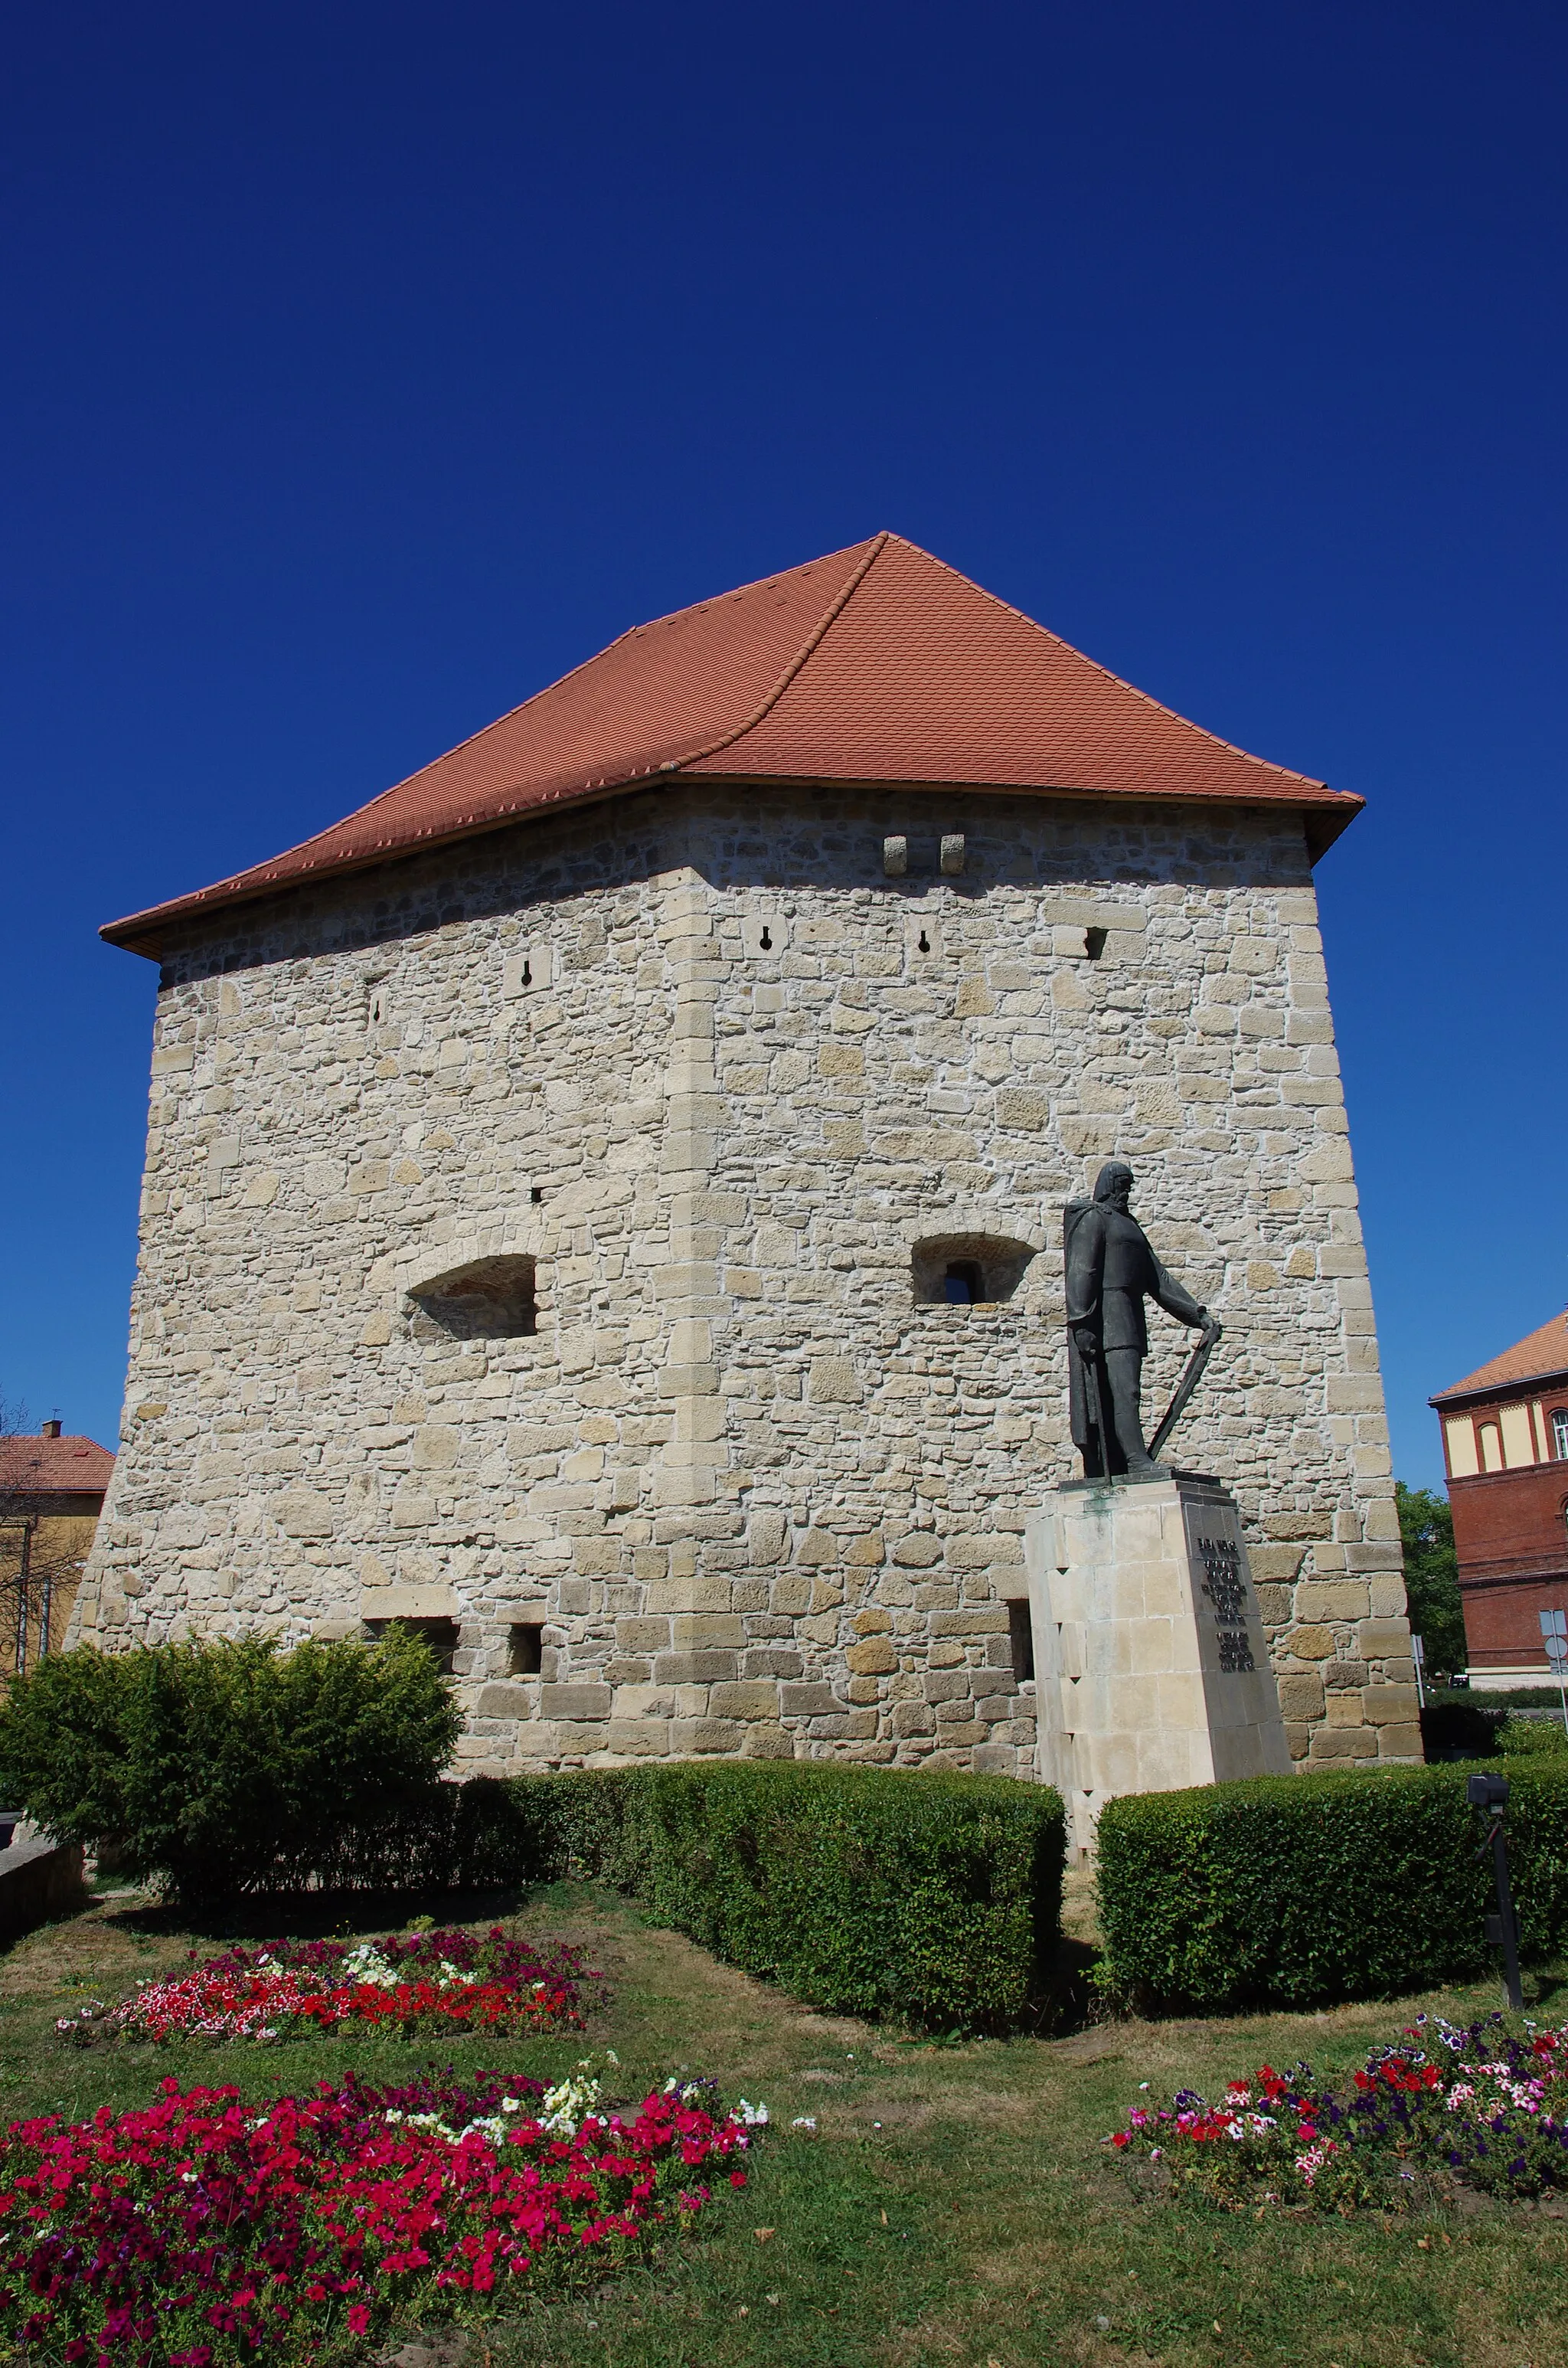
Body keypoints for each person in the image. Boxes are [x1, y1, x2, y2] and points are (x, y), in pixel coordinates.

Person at [1064, 1161, 1215, 1477]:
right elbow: (1082, 1272)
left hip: (1128, 1316)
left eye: (1129, 1185)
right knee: (1123, 1392)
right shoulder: (1094, 1217)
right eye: (1121, 1184)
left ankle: (1132, 1457)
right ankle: (1134, 1459)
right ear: (1107, 1185)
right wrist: (1081, 1324)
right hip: (1106, 1318)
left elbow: (1158, 1278)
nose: (1125, 1191)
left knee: (1129, 1390)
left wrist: (1197, 1315)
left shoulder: (1129, 1225)